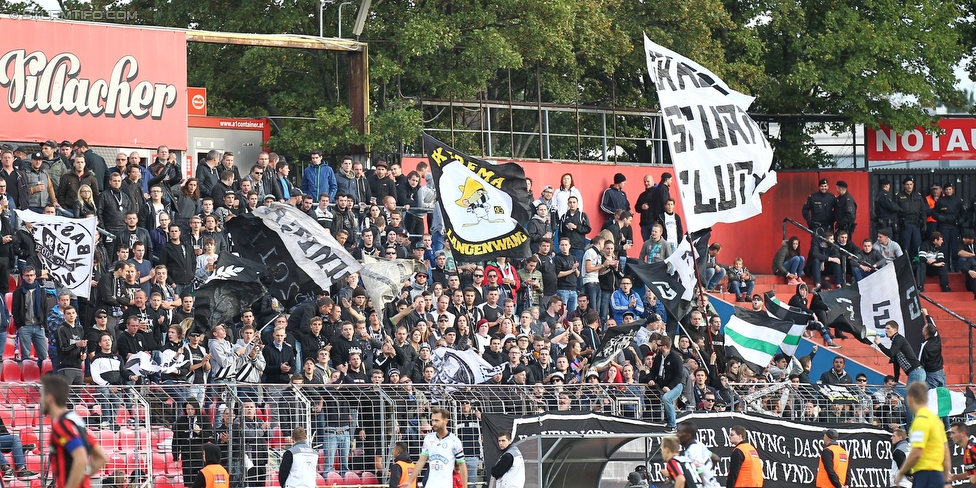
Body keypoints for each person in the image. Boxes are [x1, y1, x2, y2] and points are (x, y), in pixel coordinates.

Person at [42, 374, 108, 488]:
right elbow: (101, 457)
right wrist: (81, 476)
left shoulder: (62, 425)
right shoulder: (75, 421)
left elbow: (81, 458)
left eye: (41, 396)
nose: (40, 400)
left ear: (49, 398)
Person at [894, 382, 951, 488]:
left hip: (925, 475)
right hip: (938, 475)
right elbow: (946, 452)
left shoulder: (920, 421)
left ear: (910, 398)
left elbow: (917, 452)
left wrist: (901, 473)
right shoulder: (936, 420)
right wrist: (946, 481)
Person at [399, 407, 465, 488]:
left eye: (437, 420)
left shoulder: (454, 441)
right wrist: (410, 481)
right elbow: (421, 461)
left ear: (446, 421)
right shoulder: (428, 439)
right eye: (432, 420)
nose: (433, 423)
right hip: (430, 485)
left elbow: (462, 465)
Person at [649, 337, 683, 432]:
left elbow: (679, 375)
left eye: (659, 345)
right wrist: (651, 379)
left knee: (666, 398)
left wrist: (670, 387)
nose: (657, 347)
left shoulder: (675, 358)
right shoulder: (658, 357)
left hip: (676, 385)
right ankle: (664, 419)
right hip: (661, 384)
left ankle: (672, 425)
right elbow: (653, 372)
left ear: (665, 346)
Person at [874, 321, 925, 385]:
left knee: (910, 395)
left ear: (895, 330)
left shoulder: (898, 339)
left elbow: (890, 353)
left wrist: (879, 344)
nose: (885, 330)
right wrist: (896, 380)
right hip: (915, 372)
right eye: (885, 328)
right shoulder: (896, 340)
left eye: (888, 328)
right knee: (912, 394)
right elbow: (896, 362)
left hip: (915, 372)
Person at [677, 421, 720, 488]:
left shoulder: (691, 452)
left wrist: (702, 482)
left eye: (679, 432)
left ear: (688, 436)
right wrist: (709, 471)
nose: (677, 435)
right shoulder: (699, 444)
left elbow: (698, 469)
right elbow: (716, 458)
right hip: (714, 485)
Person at [896, 176, 926, 260]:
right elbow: (895, 211)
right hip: (905, 224)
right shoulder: (899, 196)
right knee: (905, 246)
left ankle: (916, 266)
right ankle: (905, 267)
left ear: (913, 185)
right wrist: (895, 224)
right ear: (904, 185)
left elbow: (923, 210)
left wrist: (924, 223)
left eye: (911, 184)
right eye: (907, 184)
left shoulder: (918, 196)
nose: (909, 186)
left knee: (917, 246)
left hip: (916, 224)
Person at [918, 314, 945, 388]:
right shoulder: (937, 339)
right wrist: (927, 315)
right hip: (940, 371)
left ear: (926, 333)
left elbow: (920, 362)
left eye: (924, 328)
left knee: (932, 395)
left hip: (931, 374)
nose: (922, 329)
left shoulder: (925, 346)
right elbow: (934, 326)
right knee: (942, 394)